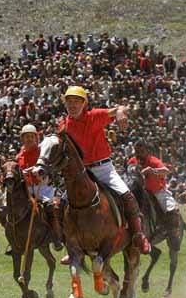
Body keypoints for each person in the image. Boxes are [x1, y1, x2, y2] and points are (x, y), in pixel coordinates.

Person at [31, 86, 151, 257]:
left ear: (84, 103)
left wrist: (121, 113)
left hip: (103, 168)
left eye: (76, 101)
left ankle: (139, 236)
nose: (72, 105)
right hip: (81, 172)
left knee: (127, 196)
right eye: (69, 102)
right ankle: (71, 243)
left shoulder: (94, 116)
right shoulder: (63, 126)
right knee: (60, 205)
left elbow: (119, 109)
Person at [16, 124, 63, 250]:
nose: (29, 139)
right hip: (26, 189)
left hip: (42, 187)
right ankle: (14, 238)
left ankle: (56, 237)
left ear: (36, 138)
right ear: (22, 139)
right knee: (8, 207)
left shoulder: (42, 151)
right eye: (26, 137)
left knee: (49, 207)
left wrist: (31, 171)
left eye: (32, 136)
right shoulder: (19, 155)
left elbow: (47, 166)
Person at [127, 140, 179, 229]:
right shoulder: (132, 161)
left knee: (171, 210)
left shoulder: (154, 161)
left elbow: (166, 171)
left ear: (147, 151)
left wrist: (153, 170)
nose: (139, 154)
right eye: (137, 152)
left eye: (141, 152)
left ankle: (172, 231)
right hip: (138, 191)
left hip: (157, 191)